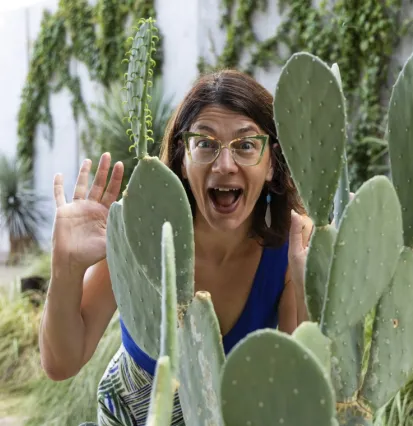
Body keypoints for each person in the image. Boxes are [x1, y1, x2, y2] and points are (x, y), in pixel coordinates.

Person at [39, 69, 316, 425]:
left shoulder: (291, 249)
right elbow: (61, 363)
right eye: (205, 143)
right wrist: (66, 267)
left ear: (272, 165)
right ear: (182, 160)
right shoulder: (144, 234)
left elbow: (300, 391)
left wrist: (314, 285)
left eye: (246, 145)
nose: (225, 164)